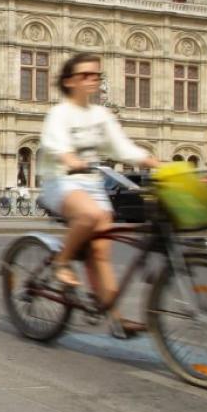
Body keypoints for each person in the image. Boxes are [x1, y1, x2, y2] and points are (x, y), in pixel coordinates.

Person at [39, 53, 158, 338]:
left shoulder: (101, 115)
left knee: (100, 252)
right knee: (89, 215)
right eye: (85, 75)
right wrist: (70, 158)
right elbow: (55, 145)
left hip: (92, 184)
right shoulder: (59, 113)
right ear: (69, 81)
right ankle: (60, 263)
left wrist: (153, 161)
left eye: (96, 75)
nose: (93, 79)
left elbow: (122, 148)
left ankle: (115, 318)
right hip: (61, 181)